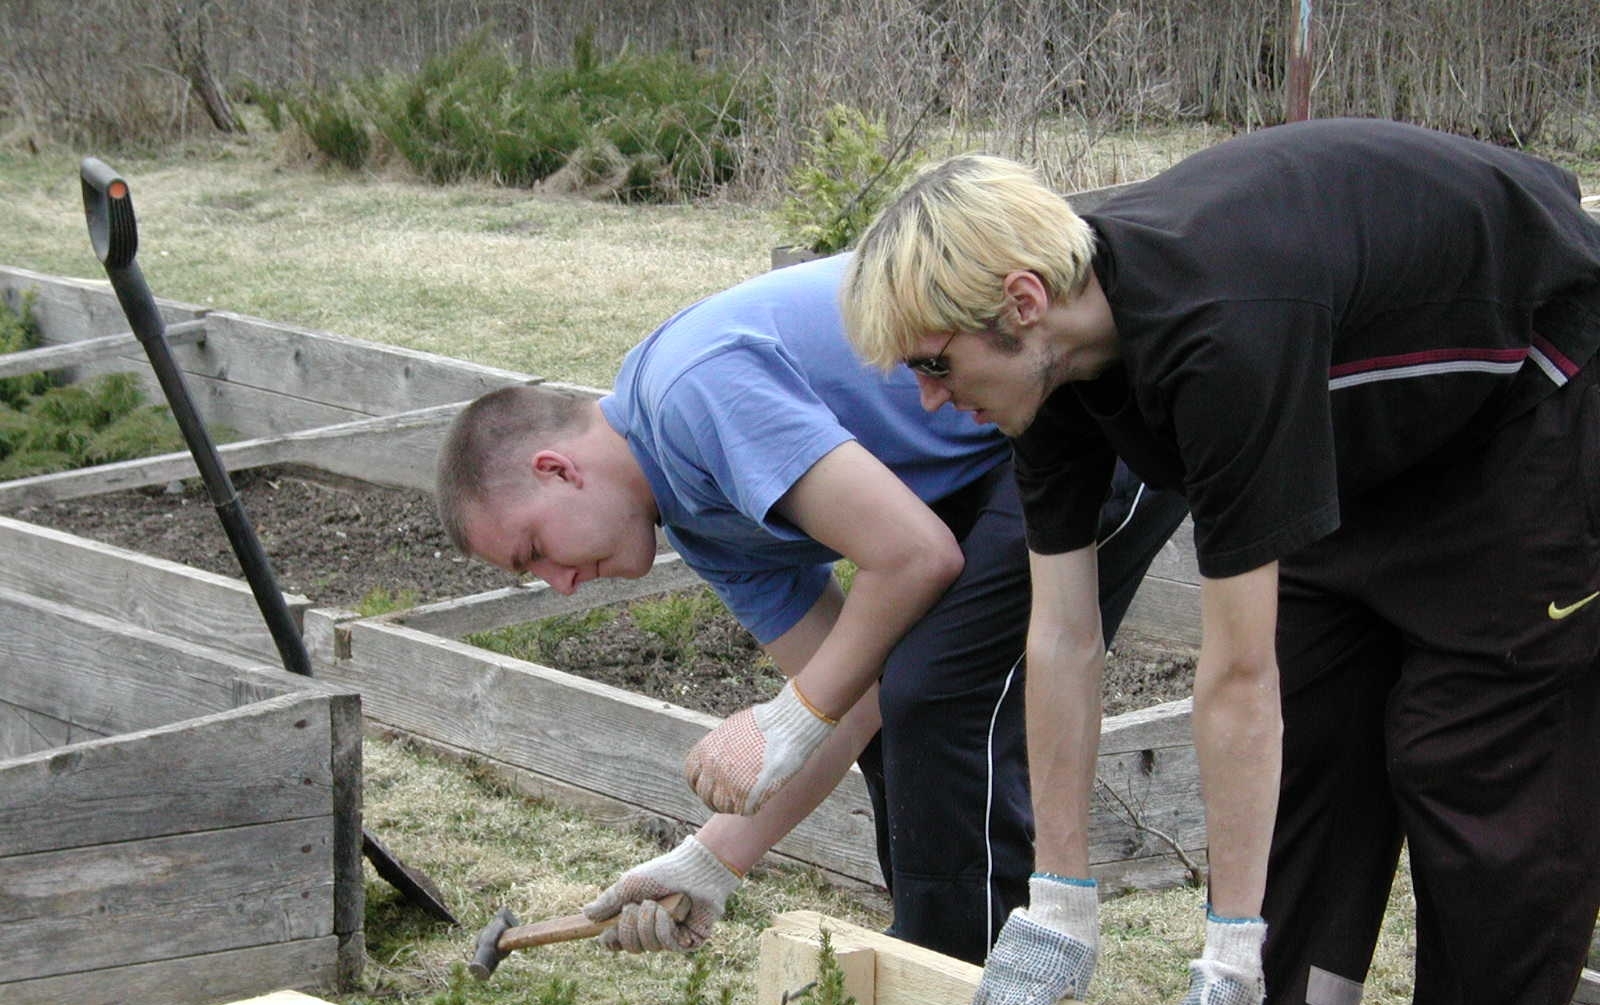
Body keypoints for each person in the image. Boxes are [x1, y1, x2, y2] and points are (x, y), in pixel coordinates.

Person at [838, 118, 1600, 1005]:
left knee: (1471, 767)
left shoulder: (1221, 330)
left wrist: (1227, 951)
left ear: (1021, 302)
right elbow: (1061, 637)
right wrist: (1057, 905)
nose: (929, 397)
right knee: (1316, 742)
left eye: (934, 364)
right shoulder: (1052, 367)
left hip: (1537, 393)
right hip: (1360, 423)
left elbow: (1235, 676)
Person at [436, 252, 1186, 967]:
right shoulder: (702, 527)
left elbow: (916, 557)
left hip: (1087, 400)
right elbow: (851, 706)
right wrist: (710, 860)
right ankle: (943, 957)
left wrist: (794, 712)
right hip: (999, 452)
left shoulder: (688, 393)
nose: (560, 584)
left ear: (557, 469)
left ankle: (960, 977)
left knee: (937, 693)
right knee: (900, 714)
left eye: (534, 551)